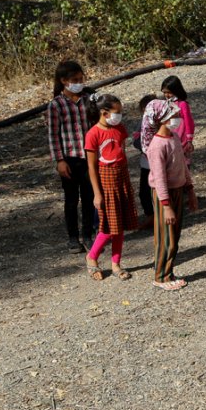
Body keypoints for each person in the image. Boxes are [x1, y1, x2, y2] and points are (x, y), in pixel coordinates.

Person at [83, 93, 139, 281]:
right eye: (117, 112)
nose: (120, 115)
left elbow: (121, 153)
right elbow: (92, 167)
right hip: (106, 183)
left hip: (121, 179)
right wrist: (97, 193)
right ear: (104, 113)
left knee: (120, 225)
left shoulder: (119, 129)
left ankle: (116, 263)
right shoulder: (93, 134)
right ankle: (92, 256)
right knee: (109, 225)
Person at [143, 98, 197, 291]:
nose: (179, 118)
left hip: (177, 190)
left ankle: (169, 272)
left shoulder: (173, 137)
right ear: (163, 118)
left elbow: (182, 165)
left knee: (175, 234)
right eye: (175, 115)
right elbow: (159, 178)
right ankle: (161, 276)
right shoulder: (157, 145)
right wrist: (166, 206)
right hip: (163, 195)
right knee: (166, 237)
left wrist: (190, 189)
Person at [47, 60, 96, 253]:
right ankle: (73, 238)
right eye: (75, 80)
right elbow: (53, 135)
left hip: (88, 157)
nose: (79, 83)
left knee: (89, 197)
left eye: (81, 79)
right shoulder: (56, 105)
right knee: (71, 200)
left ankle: (88, 235)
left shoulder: (88, 99)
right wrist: (59, 160)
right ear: (63, 81)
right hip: (69, 159)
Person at [132, 94, 156, 229]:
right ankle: (150, 216)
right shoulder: (141, 123)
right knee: (144, 192)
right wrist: (144, 147)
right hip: (146, 164)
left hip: (158, 163)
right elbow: (136, 141)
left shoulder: (161, 122)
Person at [161, 76, 194, 164]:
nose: (167, 95)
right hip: (169, 139)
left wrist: (189, 140)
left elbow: (189, 122)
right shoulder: (165, 104)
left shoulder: (182, 104)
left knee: (183, 165)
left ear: (176, 91)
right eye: (165, 92)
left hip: (182, 140)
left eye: (169, 92)